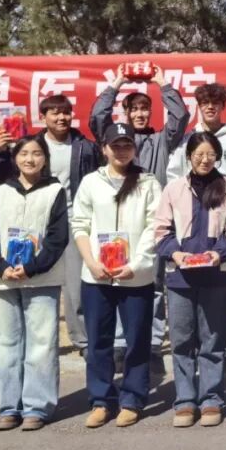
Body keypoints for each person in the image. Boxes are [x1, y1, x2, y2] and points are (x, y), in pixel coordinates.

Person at [90, 63, 190, 373]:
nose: (140, 114)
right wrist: (117, 82)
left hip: (152, 221)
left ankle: (153, 345)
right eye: (134, 109)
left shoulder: (161, 140)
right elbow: (97, 118)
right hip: (119, 221)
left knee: (154, 283)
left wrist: (162, 84)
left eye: (145, 108)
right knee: (119, 278)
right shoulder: (114, 141)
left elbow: (180, 117)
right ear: (126, 112)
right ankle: (121, 344)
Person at [0, 94, 101, 356]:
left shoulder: (85, 146)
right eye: (55, 112)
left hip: (73, 221)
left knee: (75, 286)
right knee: (33, 279)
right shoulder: (30, 145)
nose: (61, 117)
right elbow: (0, 176)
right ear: (43, 117)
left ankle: (82, 340)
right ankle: (34, 340)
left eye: (66, 112)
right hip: (35, 223)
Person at [71, 123, 161, 428]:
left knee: (137, 339)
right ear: (104, 149)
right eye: (116, 145)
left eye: (127, 145)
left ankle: (132, 399)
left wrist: (136, 263)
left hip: (135, 276)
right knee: (99, 340)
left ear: (134, 148)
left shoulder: (148, 183)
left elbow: (154, 227)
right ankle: (101, 400)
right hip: (97, 276)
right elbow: (80, 225)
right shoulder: (90, 182)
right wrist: (91, 262)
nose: (121, 151)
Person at [0, 136, 70, 431]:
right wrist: (1, 266)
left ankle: (36, 408)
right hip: (3, 280)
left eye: (37, 153)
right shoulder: (1, 191)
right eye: (24, 154)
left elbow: (58, 239)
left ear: (45, 159)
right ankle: (9, 406)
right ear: (15, 158)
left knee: (41, 345)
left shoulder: (55, 191)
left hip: (42, 279)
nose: (30, 159)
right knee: (5, 344)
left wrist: (31, 268)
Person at [154, 132, 226, 428]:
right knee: (181, 339)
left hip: (216, 275)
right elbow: (161, 230)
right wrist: (175, 253)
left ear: (218, 156)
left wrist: (219, 252)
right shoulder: (174, 189)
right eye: (199, 154)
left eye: (210, 154)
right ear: (189, 156)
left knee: (212, 338)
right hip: (180, 277)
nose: (205, 160)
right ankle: (185, 400)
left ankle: (211, 398)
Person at [166, 83, 226, 185]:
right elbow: (174, 174)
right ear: (199, 106)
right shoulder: (188, 139)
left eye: (215, 103)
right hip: (192, 193)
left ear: (223, 106)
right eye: (205, 103)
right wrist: (186, 191)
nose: (210, 107)